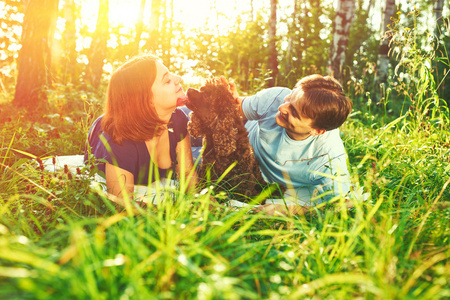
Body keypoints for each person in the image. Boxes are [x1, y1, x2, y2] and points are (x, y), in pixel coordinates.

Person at [227, 75, 353, 215]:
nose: (282, 108)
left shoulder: (328, 155)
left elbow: (344, 203)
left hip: (274, 188)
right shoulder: (275, 98)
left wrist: (290, 210)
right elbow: (237, 108)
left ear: (316, 130)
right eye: (289, 98)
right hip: (237, 150)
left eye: (294, 112)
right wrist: (230, 99)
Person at [84, 55, 198, 206]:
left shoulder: (178, 119)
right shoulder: (119, 139)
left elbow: (187, 174)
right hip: (110, 131)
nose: (178, 78)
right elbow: (122, 203)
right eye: (167, 80)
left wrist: (202, 201)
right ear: (147, 99)